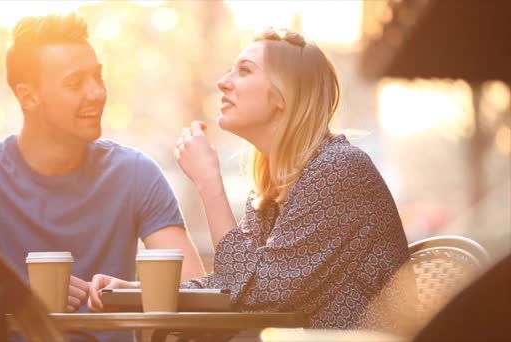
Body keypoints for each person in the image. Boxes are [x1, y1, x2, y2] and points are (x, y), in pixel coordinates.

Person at [88, 28, 415, 333]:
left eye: (244, 71)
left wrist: (208, 183)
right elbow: (236, 283)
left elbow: (257, 292)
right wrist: (139, 292)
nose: (222, 83)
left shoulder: (338, 169)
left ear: (283, 95)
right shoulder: (271, 190)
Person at [0, 12, 205, 320]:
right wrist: (20, 298)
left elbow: (195, 286)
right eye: (75, 83)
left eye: (98, 77)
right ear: (29, 97)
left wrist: (131, 294)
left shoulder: (135, 173)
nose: (97, 93)